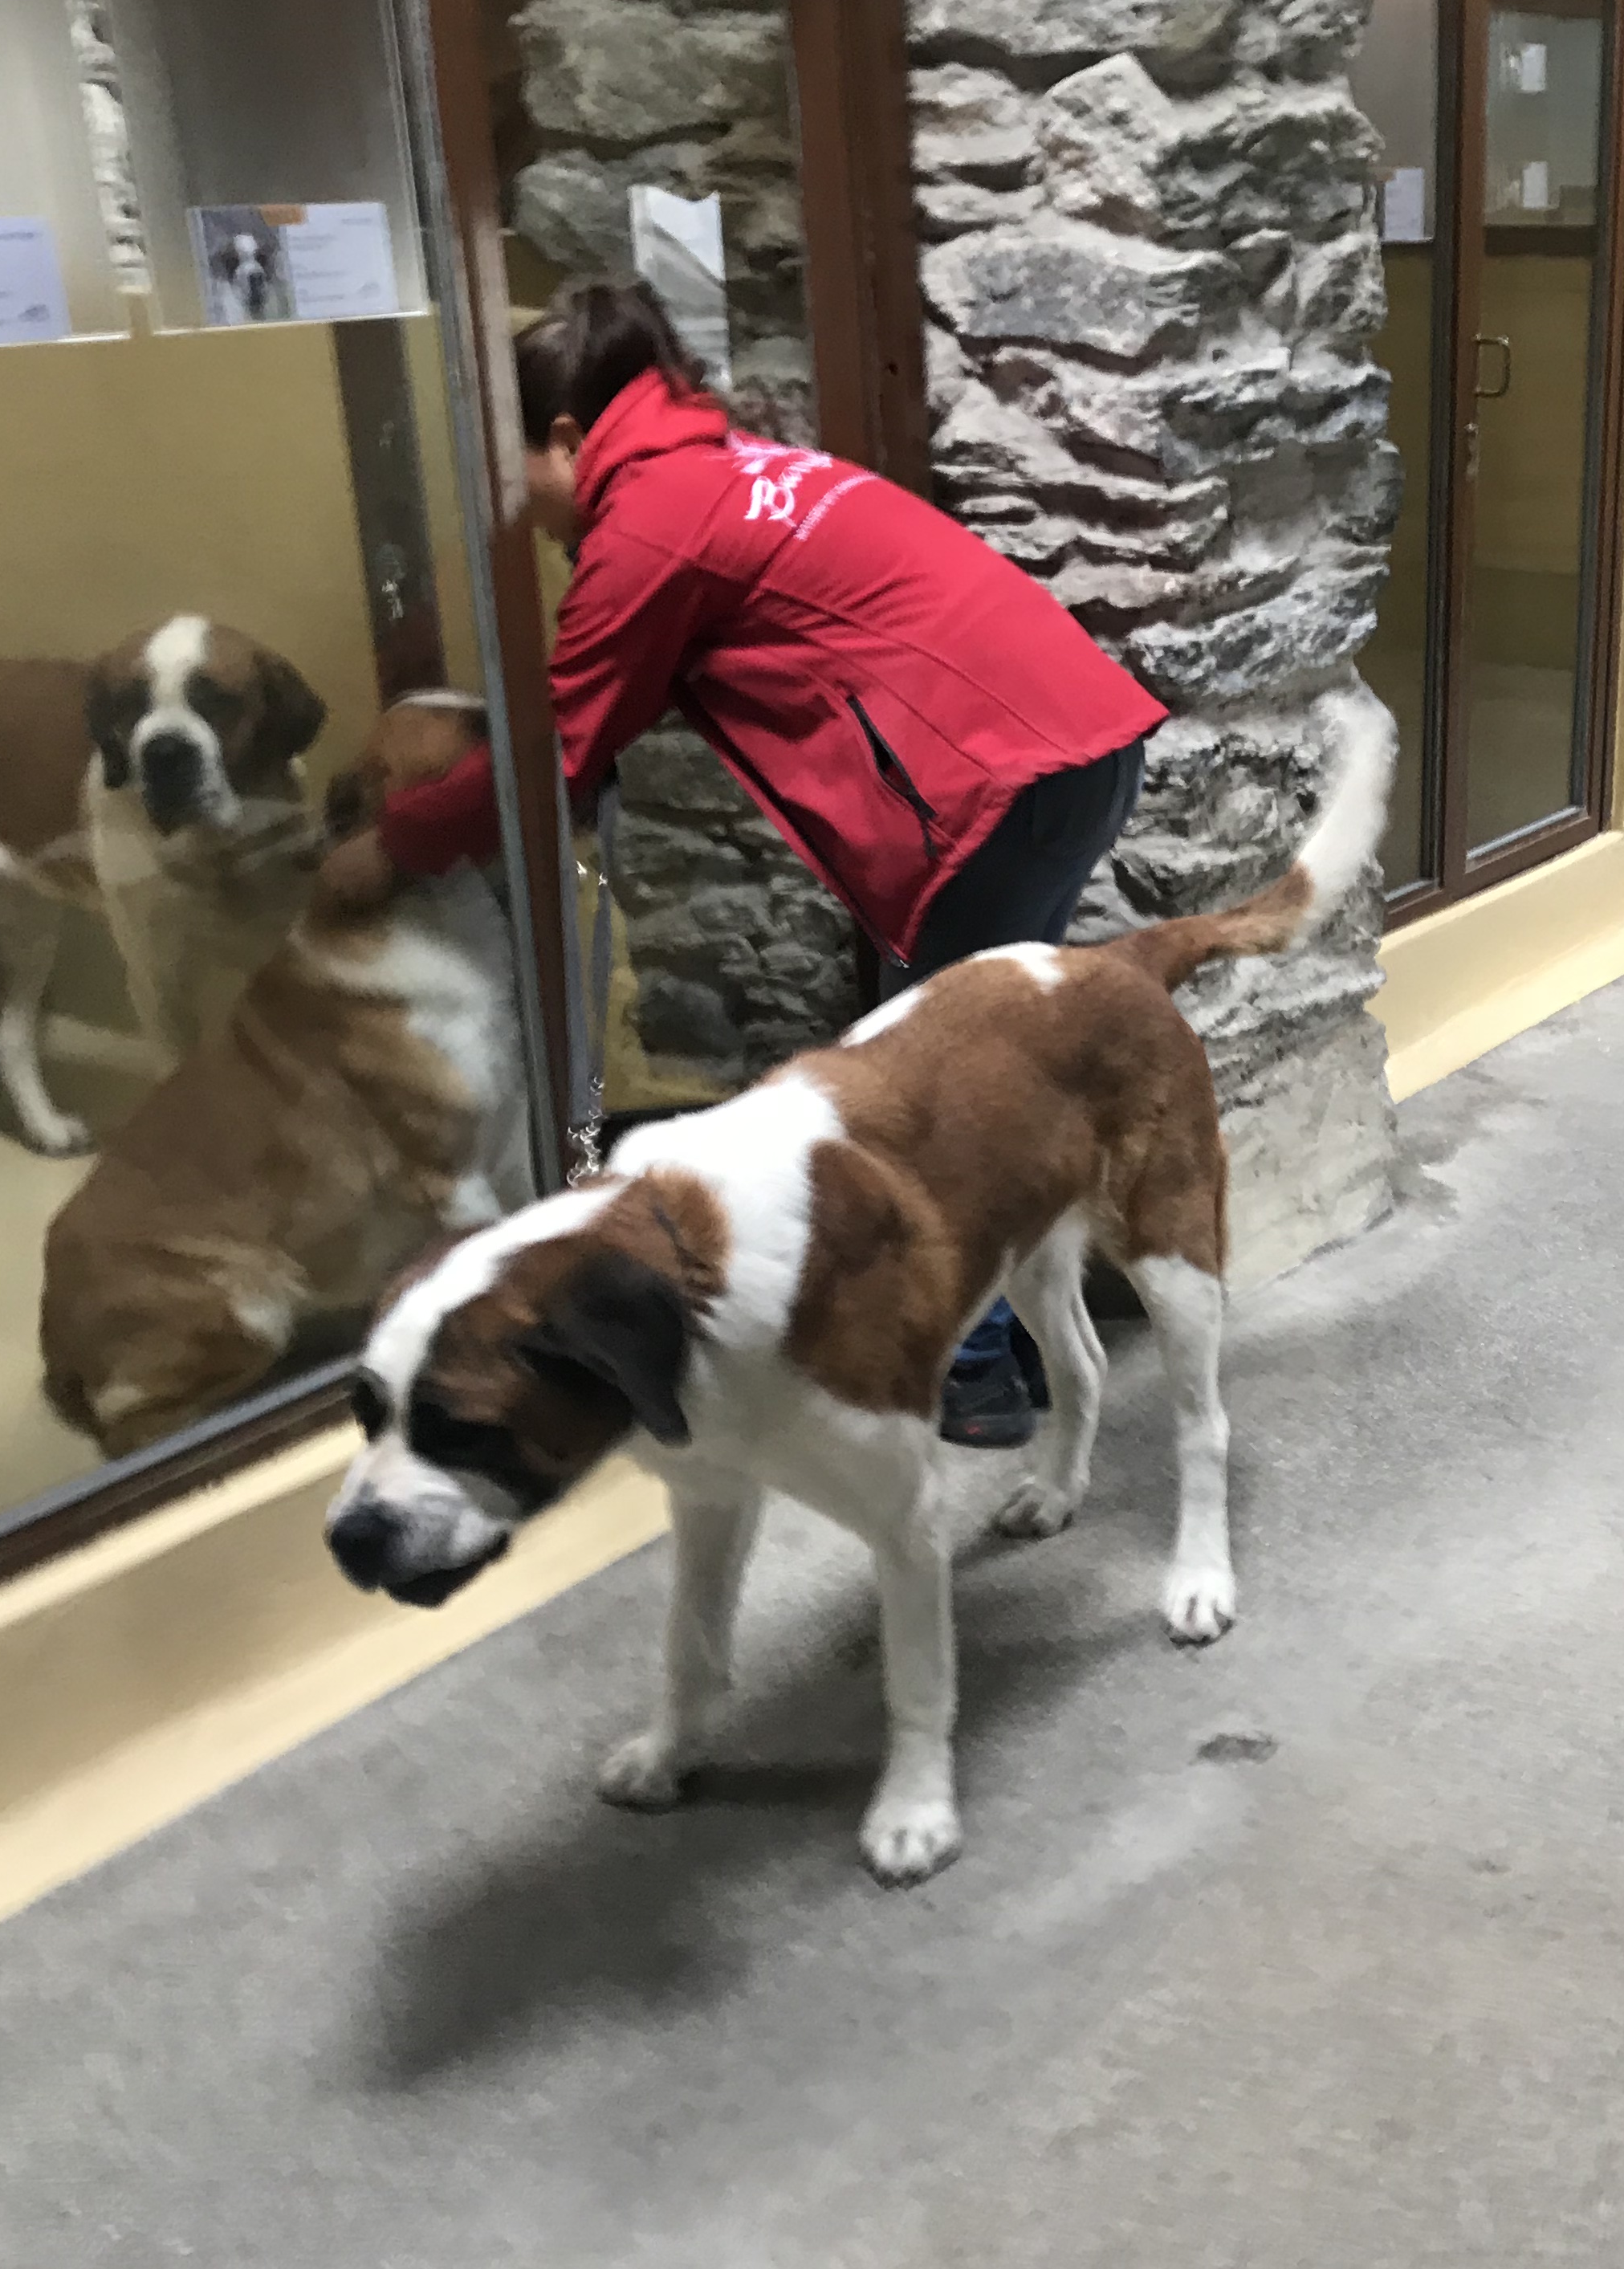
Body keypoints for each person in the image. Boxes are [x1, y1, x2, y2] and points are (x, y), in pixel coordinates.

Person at [328, 279, 1166, 1448]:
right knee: (988, 1076)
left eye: (511, 470)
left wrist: (396, 843)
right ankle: (1011, 1344)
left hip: (996, 785)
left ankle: (965, 1372)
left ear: (565, 437)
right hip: (1069, 750)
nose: (512, 506)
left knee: (932, 1094)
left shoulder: (652, 525)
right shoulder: (720, 468)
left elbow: (556, 750)